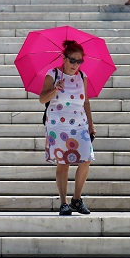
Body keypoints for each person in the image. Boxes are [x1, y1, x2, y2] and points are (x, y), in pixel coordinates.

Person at [38, 40, 96, 215]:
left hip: (79, 125)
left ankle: (76, 200)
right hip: (58, 126)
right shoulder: (53, 74)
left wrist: (91, 125)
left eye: (79, 61)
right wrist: (55, 90)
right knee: (63, 164)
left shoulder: (82, 77)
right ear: (64, 58)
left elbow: (85, 102)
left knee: (86, 159)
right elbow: (42, 99)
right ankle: (63, 202)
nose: (75, 65)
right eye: (72, 61)